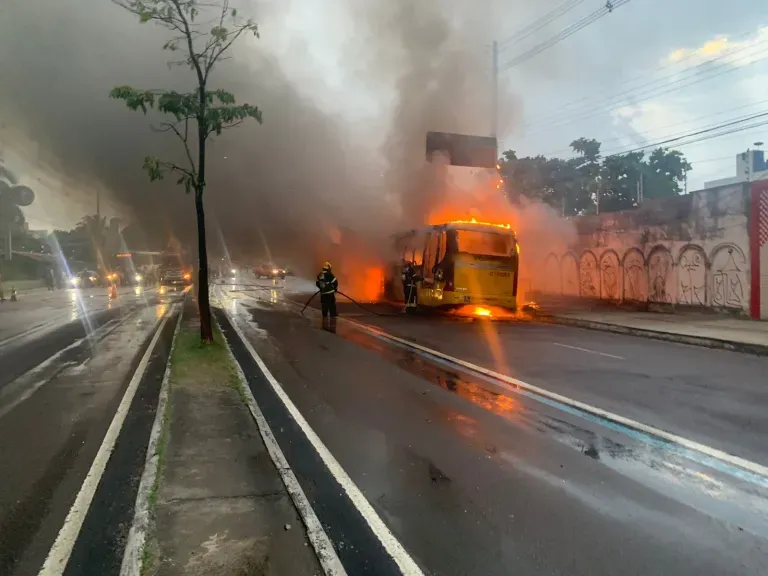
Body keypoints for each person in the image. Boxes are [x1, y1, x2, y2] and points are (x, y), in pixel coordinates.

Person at [315, 261, 338, 331]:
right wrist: (334, 288)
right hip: (330, 294)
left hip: (323, 294)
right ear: (329, 268)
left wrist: (321, 289)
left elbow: (317, 283)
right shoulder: (329, 275)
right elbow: (335, 282)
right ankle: (332, 317)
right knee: (331, 305)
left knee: (324, 305)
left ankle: (324, 316)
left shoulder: (319, 275)